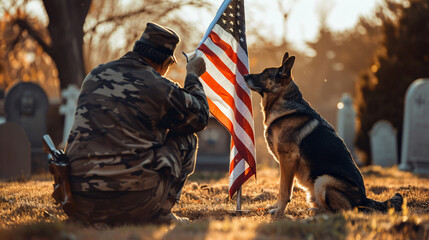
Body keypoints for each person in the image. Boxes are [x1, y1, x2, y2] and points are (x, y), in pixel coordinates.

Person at [64, 22, 209, 226]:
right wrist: (192, 76)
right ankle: (161, 214)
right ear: (166, 62)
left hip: (79, 198)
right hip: (133, 200)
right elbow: (200, 117)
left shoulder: (95, 75)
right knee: (186, 138)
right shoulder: (157, 85)